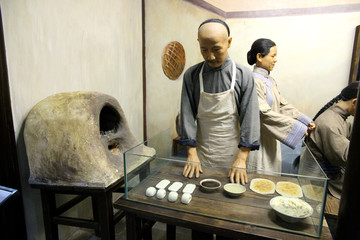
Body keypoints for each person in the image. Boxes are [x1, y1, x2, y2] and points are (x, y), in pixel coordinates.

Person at [180, 19, 260, 185]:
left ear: (229, 42)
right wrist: (191, 153)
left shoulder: (243, 75)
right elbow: (186, 115)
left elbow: (250, 118)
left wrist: (242, 158)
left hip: (236, 155)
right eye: (204, 49)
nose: (210, 56)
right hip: (201, 154)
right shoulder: (192, 75)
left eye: (216, 49)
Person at [246, 38, 315, 173]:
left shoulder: (269, 80)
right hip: (258, 139)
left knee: (270, 172)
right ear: (259, 57)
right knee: (260, 174)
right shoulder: (253, 81)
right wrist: (297, 128)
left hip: (272, 136)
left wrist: (304, 120)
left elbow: (282, 105)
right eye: (273, 56)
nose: (275, 60)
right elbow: (262, 113)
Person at [306, 81, 359, 199]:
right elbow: (346, 157)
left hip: (333, 176)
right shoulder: (330, 123)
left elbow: (349, 131)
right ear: (355, 102)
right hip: (326, 183)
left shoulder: (338, 118)